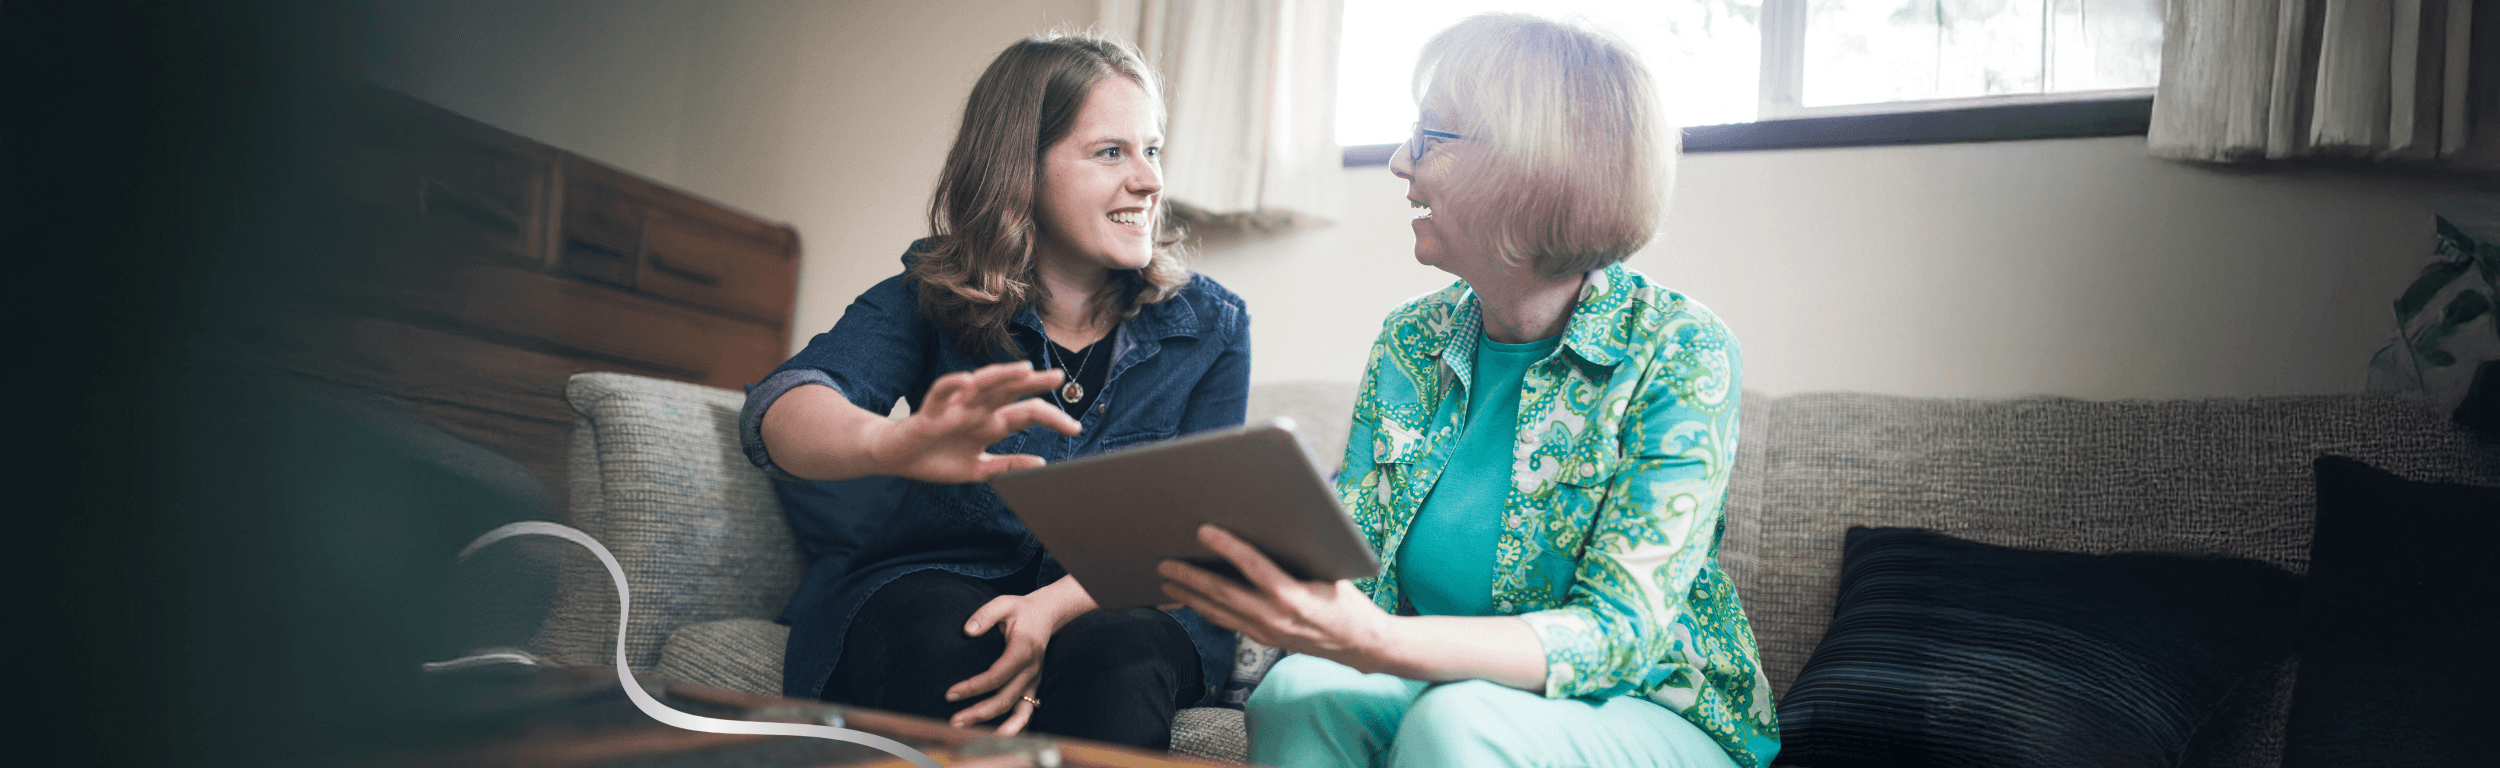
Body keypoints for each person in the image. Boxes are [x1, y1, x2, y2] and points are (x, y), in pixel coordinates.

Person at [1155, 13, 1779, 768]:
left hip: (1649, 705)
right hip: (1448, 686)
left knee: (1458, 724)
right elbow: (1361, 581)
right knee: (1299, 692)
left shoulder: (1679, 350)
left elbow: (1617, 636)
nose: (1397, 162)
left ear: (1529, 162)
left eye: (1428, 138)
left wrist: (1377, 641)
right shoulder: (1410, 341)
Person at [738, 30, 1248, 750]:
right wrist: (892, 440)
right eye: (1111, 152)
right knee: (946, 638)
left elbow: (1193, 530)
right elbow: (781, 408)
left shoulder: (1212, 327)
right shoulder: (929, 294)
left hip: (1125, 598)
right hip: (938, 578)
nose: (1150, 180)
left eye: (1152, 150)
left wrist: (1052, 607)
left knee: (1120, 655)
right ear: (1022, 168)